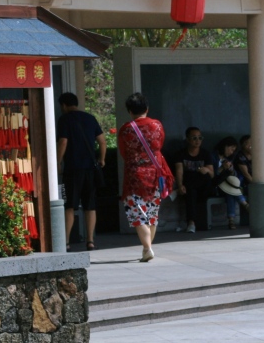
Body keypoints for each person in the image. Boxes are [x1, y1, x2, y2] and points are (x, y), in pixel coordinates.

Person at [118, 92, 174, 262]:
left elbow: (123, 152)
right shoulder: (157, 125)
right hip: (156, 176)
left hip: (134, 177)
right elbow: (160, 145)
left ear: (129, 111)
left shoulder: (126, 129)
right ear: (147, 109)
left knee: (137, 215)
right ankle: (147, 249)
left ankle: (147, 248)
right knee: (152, 214)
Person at [56, 92, 105, 250]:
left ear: (63, 105)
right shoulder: (90, 118)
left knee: (70, 205)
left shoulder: (64, 119)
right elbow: (102, 141)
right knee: (90, 206)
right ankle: (90, 240)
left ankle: (66, 242)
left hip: (73, 168)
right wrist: (102, 159)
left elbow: (63, 142)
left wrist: (57, 162)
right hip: (90, 168)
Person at [174, 127, 215, 233]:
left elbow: (212, 174)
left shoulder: (205, 153)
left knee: (202, 177)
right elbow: (179, 171)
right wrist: (180, 185)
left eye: (200, 138)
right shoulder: (181, 154)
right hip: (190, 186)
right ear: (187, 139)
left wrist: (206, 169)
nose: (198, 141)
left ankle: (191, 223)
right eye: (194, 138)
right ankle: (191, 223)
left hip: (204, 187)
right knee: (191, 191)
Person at [215, 136, 248, 229]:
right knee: (231, 190)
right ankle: (244, 204)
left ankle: (231, 220)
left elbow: (234, 175)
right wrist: (222, 168)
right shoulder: (213, 156)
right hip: (216, 185)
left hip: (227, 186)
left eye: (234, 150)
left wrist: (231, 169)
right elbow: (213, 174)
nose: (231, 152)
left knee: (230, 193)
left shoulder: (229, 159)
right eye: (231, 149)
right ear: (225, 146)